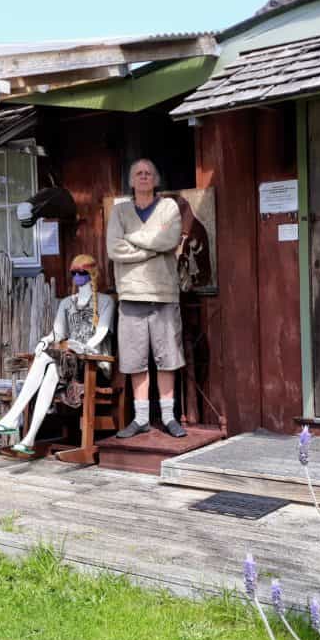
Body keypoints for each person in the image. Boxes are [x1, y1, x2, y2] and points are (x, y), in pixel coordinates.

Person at [0, 254, 114, 454]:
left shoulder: (106, 301)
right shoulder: (67, 303)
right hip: (67, 363)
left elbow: (102, 331)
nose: (77, 277)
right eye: (74, 273)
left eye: (81, 273)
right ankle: (29, 438)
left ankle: (13, 417)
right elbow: (57, 332)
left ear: (92, 274)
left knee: (48, 358)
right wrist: (44, 340)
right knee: (49, 369)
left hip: (92, 364)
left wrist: (85, 347)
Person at [106, 158, 187, 438]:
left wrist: (135, 239)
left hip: (163, 294)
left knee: (168, 358)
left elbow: (170, 239)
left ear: (156, 179)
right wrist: (151, 249)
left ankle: (168, 416)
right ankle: (140, 419)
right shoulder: (119, 212)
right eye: (138, 173)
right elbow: (114, 248)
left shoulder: (169, 208)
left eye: (148, 173)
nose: (143, 177)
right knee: (135, 360)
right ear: (131, 181)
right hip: (130, 295)